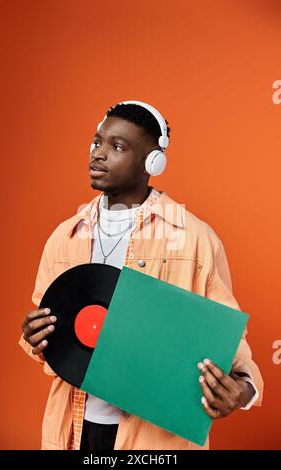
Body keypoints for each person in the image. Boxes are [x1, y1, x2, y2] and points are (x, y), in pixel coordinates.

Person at [20, 101, 263, 451]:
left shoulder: (195, 239)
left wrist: (243, 389)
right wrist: (33, 336)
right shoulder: (65, 236)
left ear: (153, 162)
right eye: (97, 142)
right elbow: (50, 334)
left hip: (155, 439)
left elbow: (228, 336)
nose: (99, 154)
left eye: (117, 147)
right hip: (72, 430)